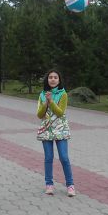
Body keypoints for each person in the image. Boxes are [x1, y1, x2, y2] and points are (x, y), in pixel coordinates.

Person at [36, 69, 76, 197]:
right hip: (46, 129)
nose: (53, 79)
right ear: (47, 80)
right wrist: (46, 102)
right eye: (50, 77)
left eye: (55, 77)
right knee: (48, 158)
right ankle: (49, 184)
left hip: (60, 129)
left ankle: (70, 185)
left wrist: (51, 101)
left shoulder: (63, 94)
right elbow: (39, 114)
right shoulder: (42, 94)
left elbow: (60, 113)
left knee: (64, 157)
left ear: (59, 80)